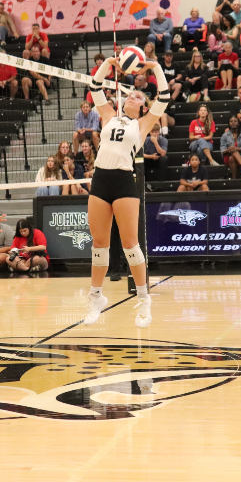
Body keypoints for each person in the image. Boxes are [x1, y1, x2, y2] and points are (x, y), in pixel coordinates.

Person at [84, 56, 170, 327]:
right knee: (99, 244)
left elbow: (165, 96)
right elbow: (95, 86)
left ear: (142, 104)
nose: (132, 97)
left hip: (123, 182)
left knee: (130, 244)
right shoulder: (109, 116)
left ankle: (144, 299)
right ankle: (95, 296)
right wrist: (109, 62)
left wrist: (153, 67)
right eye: (129, 94)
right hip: (100, 180)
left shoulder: (143, 124)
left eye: (136, 96)